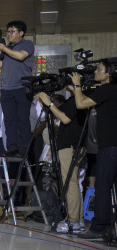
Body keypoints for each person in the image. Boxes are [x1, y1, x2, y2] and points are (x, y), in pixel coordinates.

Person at [69, 59, 117, 239]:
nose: (96, 72)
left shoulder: (107, 89)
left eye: (99, 69)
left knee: (102, 186)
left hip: (110, 146)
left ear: (109, 73)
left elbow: (81, 104)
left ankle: (99, 228)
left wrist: (76, 85)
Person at [37, 88, 87, 233]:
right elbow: (53, 116)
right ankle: (78, 221)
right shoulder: (74, 100)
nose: (65, 84)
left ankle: (73, 222)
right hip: (72, 146)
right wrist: (44, 102)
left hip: (70, 146)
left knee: (70, 185)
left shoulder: (78, 100)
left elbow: (64, 119)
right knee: (73, 184)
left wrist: (50, 104)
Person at [0, 20, 35, 158]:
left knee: (23, 119)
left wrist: (4, 48)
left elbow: (21, 56)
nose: (9, 34)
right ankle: (12, 147)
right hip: (6, 88)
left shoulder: (27, 44)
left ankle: (23, 148)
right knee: (9, 120)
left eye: (12, 31)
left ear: (21, 33)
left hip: (22, 87)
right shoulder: (6, 48)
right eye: (8, 32)